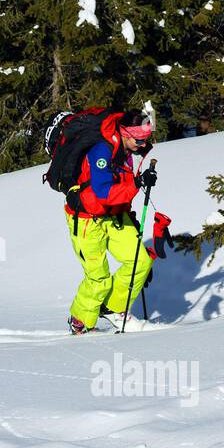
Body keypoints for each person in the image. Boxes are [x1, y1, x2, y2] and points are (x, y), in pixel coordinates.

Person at [63, 111, 156, 334]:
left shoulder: (126, 150)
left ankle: (113, 308)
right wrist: (137, 184)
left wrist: (137, 188)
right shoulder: (101, 151)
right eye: (139, 139)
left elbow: (122, 187)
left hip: (114, 215)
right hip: (87, 218)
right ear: (124, 133)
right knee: (99, 277)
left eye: (145, 139)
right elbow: (103, 192)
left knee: (139, 261)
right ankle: (80, 321)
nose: (142, 144)